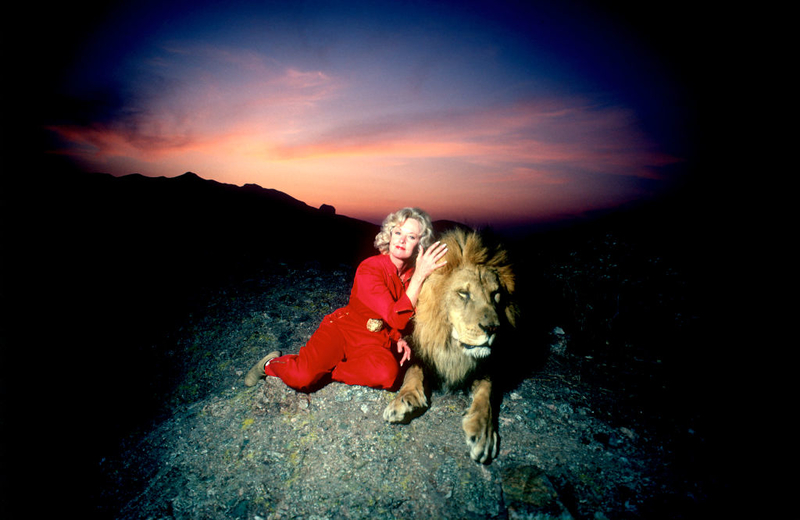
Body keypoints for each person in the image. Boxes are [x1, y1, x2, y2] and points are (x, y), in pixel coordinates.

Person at [244, 207, 448, 392]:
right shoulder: (370, 269)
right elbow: (395, 316)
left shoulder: (412, 275)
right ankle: (269, 364)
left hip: (374, 339)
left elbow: (393, 320)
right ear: (390, 235)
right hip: (342, 330)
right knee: (302, 377)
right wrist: (421, 277)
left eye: (411, 236)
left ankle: (325, 372)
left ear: (421, 245)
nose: (401, 240)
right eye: (398, 232)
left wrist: (397, 337)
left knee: (388, 375)